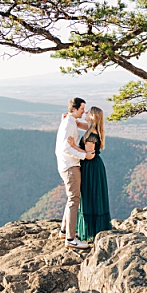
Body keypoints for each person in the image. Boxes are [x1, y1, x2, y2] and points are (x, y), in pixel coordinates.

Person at [56, 97, 93, 249]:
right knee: (74, 200)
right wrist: (85, 155)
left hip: (67, 165)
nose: (83, 111)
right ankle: (71, 239)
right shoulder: (69, 123)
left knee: (72, 198)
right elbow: (66, 148)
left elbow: (90, 125)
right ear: (75, 108)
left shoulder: (69, 121)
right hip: (70, 166)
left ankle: (65, 231)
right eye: (82, 109)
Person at [77, 106, 112, 242]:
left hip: (91, 167)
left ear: (92, 116)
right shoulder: (91, 128)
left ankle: (90, 231)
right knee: (93, 195)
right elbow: (78, 124)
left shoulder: (91, 135)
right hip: (94, 167)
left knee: (90, 195)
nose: (85, 113)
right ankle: (94, 229)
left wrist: (72, 146)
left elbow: (89, 156)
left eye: (87, 112)